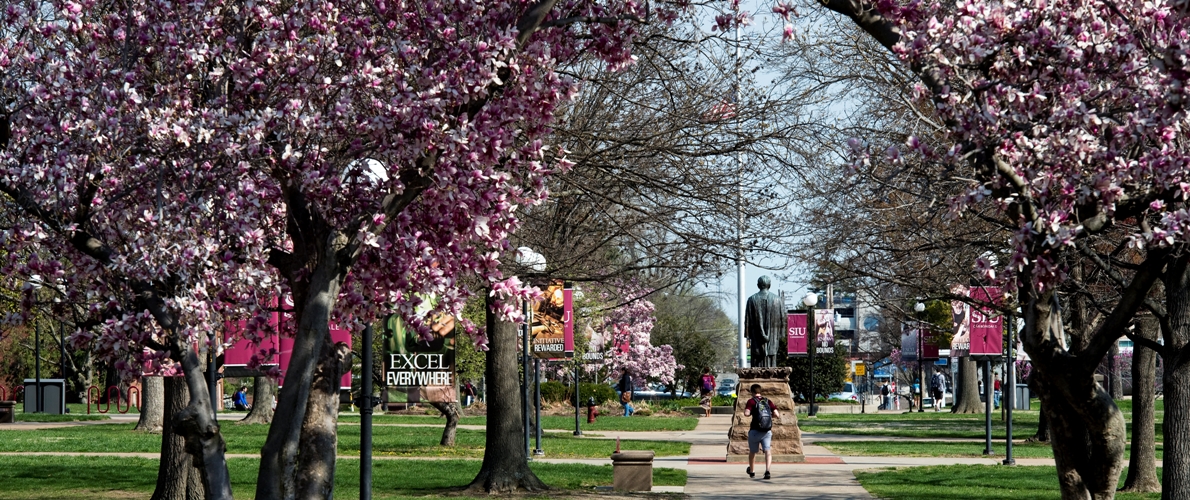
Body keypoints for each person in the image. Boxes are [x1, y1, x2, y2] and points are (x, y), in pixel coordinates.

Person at [744, 276, 786, 367]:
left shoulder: (751, 300)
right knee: (772, 361)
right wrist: (782, 334)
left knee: (756, 363)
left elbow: (747, 319)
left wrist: (747, 334)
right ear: (769, 285)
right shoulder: (778, 300)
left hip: (756, 336)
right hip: (773, 336)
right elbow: (783, 318)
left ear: (758, 285)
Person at [743, 384, 779, 480]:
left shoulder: (751, 401)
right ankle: (767, 471)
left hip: (754, 431)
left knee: (753, 452)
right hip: (766, 431)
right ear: (760, 391)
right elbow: (777, 414)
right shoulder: (767, 401)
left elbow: (746, 413)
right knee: (767, 451)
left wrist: (749, 412)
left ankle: (752, 471)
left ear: (752, 392)